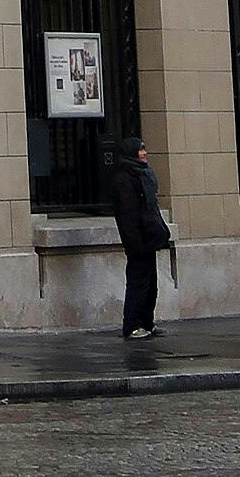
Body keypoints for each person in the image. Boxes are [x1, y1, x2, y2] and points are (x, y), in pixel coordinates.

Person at [107, 135, 171, 339]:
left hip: (149, 238)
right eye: (140, 150)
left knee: (150, 285)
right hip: (138, 242)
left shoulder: (142, 174)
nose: (144, 153)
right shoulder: (124, 179)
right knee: (138, 284)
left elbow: (150, 208)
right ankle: (132, 325)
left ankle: (147, 322)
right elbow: (128, 216)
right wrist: (135, 243)